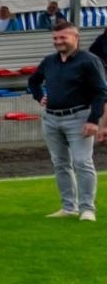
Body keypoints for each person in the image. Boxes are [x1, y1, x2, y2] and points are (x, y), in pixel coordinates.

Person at [26, 20, 107, 221]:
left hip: (79, 117)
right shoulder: (49, 61)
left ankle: (87, 208)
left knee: (82, 162)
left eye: (63, 37)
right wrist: (39, 96)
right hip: (51, 118)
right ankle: (68, 207)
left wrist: (93, 120)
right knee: (60, 163)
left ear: (75, 38)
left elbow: (100, 92)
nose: (58, 41)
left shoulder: (89, 61)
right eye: (55, 38)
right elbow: (33, 81)